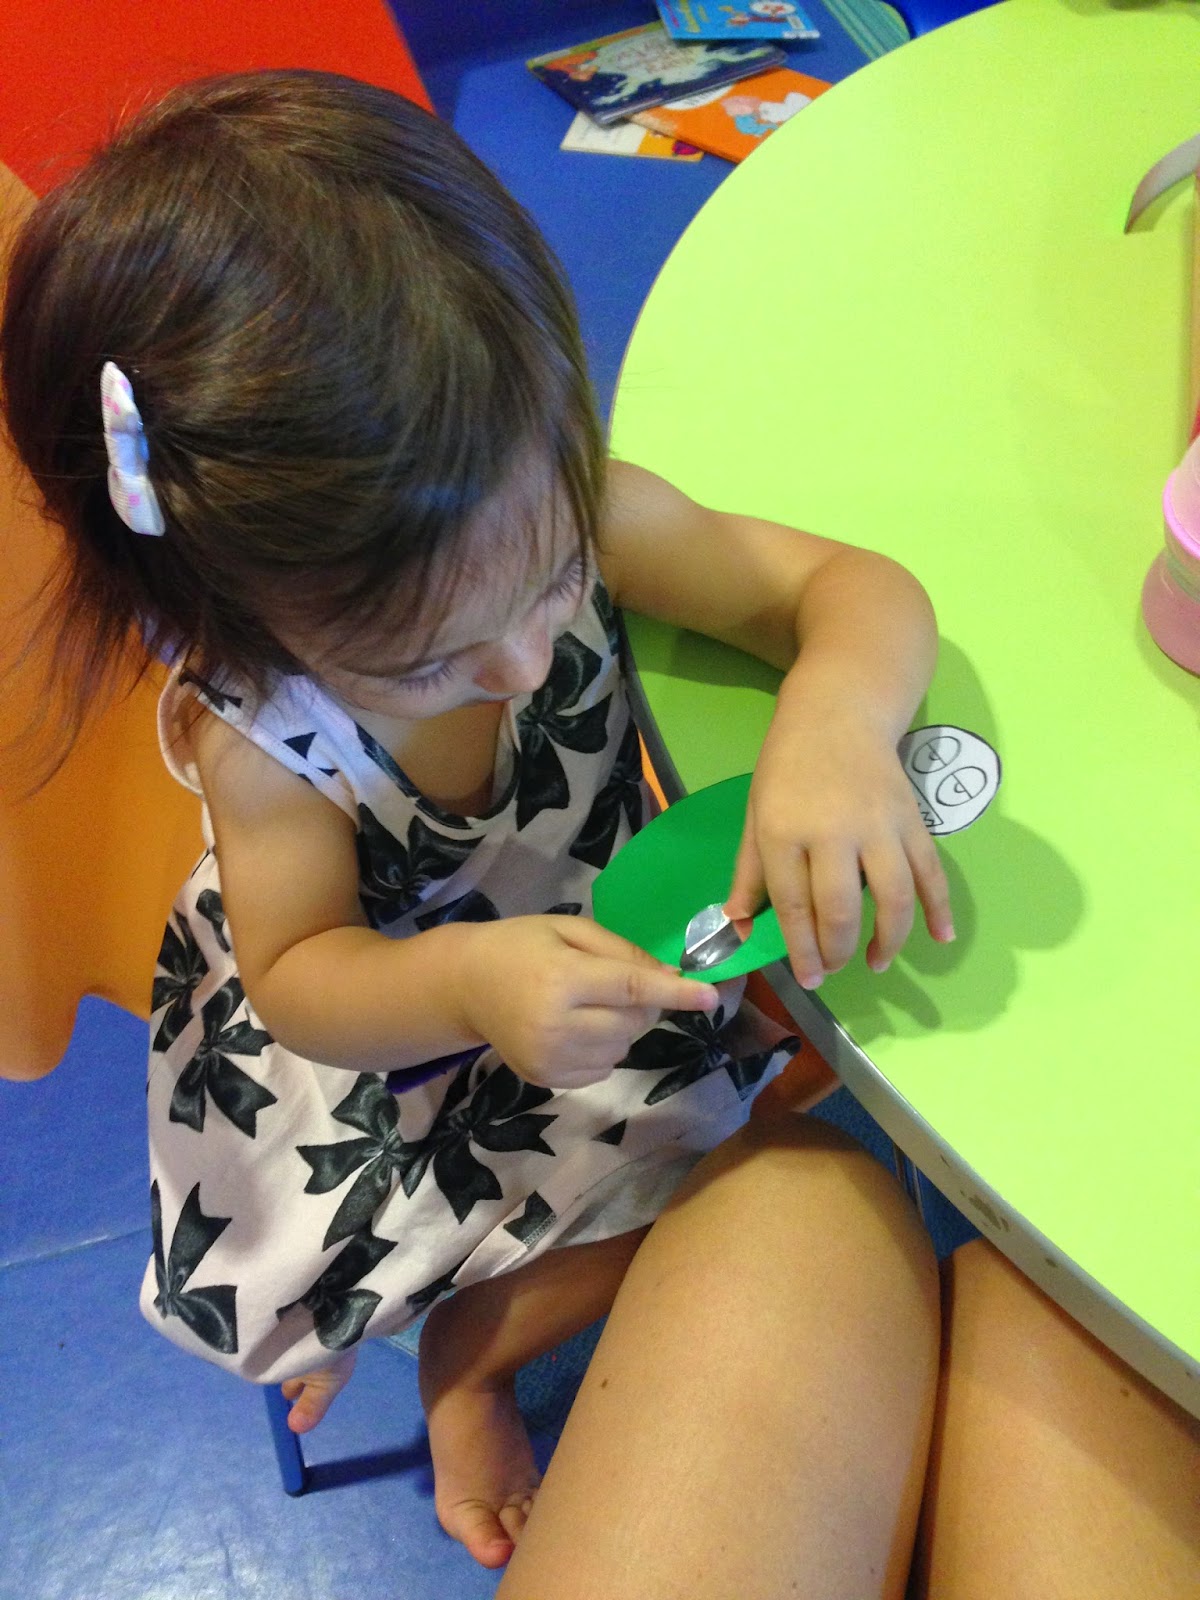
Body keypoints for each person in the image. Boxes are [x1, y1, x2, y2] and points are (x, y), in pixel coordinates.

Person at [2, 71, 1195, 1600]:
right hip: (397, 1040)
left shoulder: (545, 506)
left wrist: (836, 724)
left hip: (592, 938)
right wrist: (470, 984)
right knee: (751, 1170)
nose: (522, 659)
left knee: (787, 1150)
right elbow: (300, 976)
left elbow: (849, 589)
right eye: (433, 659)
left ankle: (505, 1321)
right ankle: (470, 1353)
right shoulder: (264, 736)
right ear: (248, 625)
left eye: (556, 579)